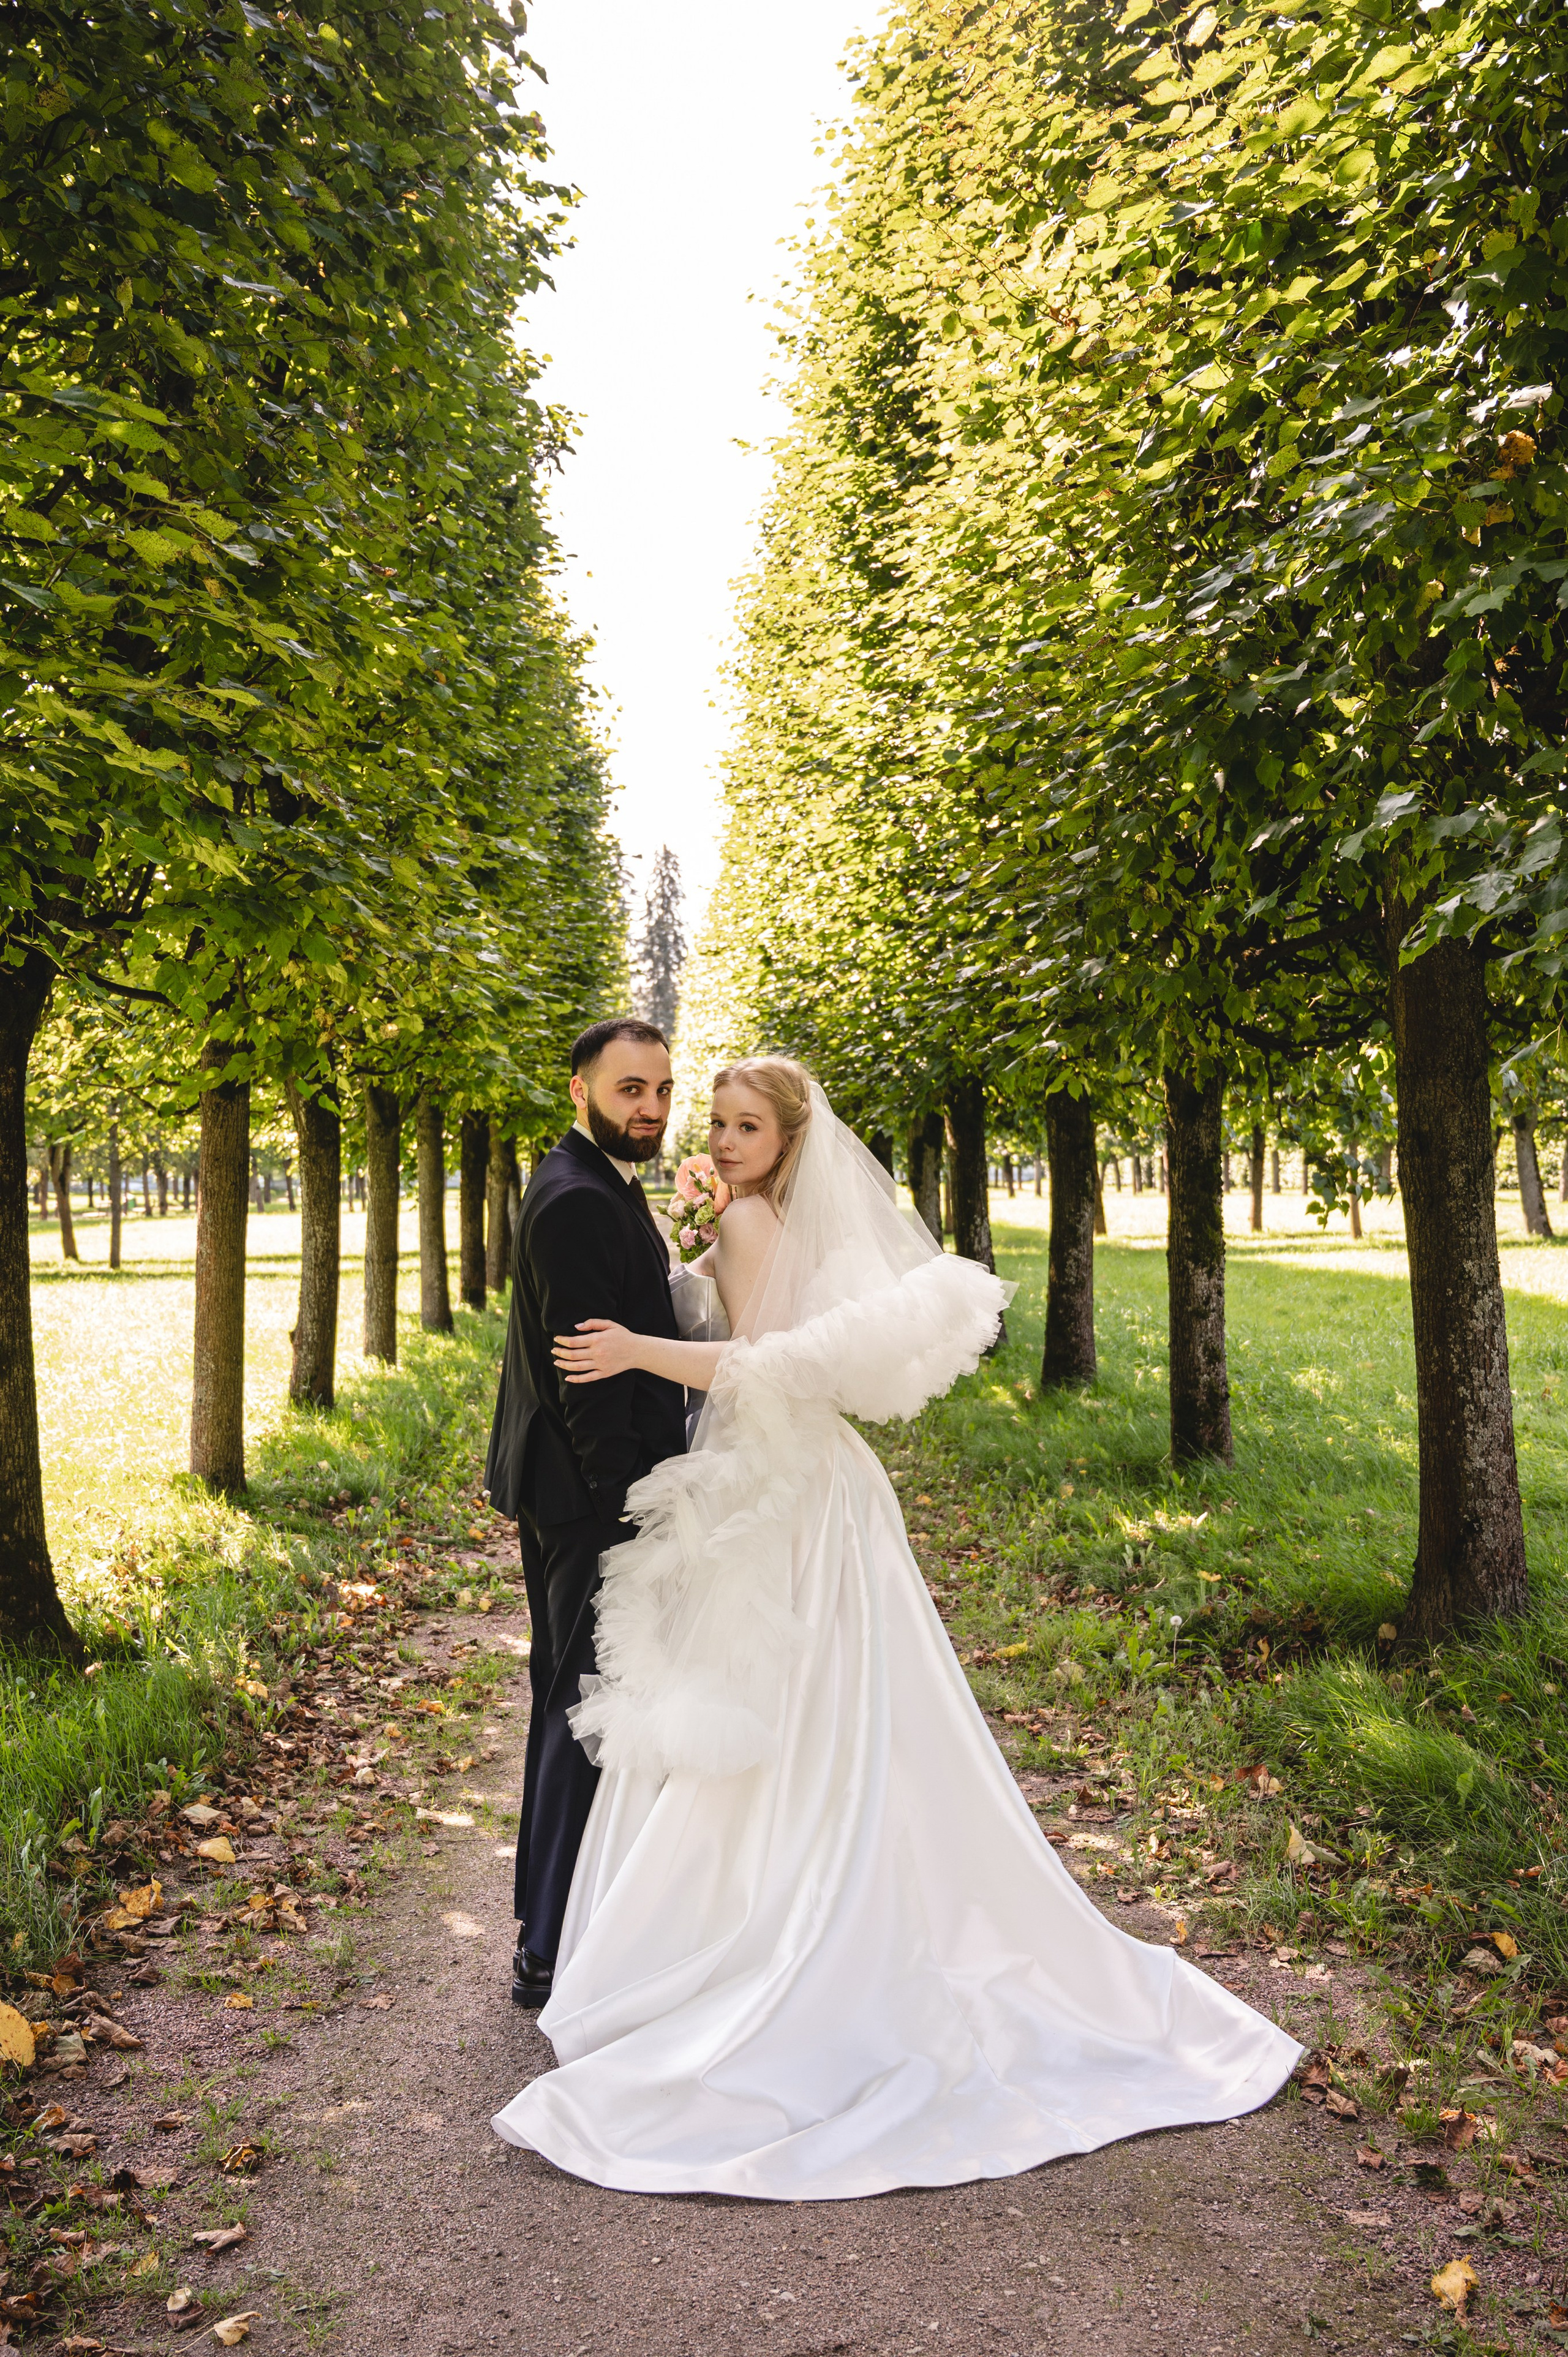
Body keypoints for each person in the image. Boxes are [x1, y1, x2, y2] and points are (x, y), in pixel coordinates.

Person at [492, 1057, 1299, 2199]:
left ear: (789, 1141)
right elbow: (734, 1308)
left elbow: (762, 1363)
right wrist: (685, 1262)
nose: (719, 1142)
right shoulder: (757, 1219)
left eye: (744, 1127)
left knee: (787, 1695)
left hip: (784, 1487)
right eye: (715, 1122)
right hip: (787, 1478)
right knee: (806, 1702)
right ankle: (788, 1896)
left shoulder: (759, 1220)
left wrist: (634, 1349)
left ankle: (777, 1918)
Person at [483, 1019, 688, 2011]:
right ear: (581, 1091)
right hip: (589, 1498)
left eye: (661, 1089)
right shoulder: (575, 1198)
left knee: (571, 1696)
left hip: (571, 1492)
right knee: (581, 1705)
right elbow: (587, 1379)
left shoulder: (595, 1179)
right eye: (628, 1090)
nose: (649, 1108)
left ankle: (553, 1918)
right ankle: (546, 1946)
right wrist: (628, 1509)